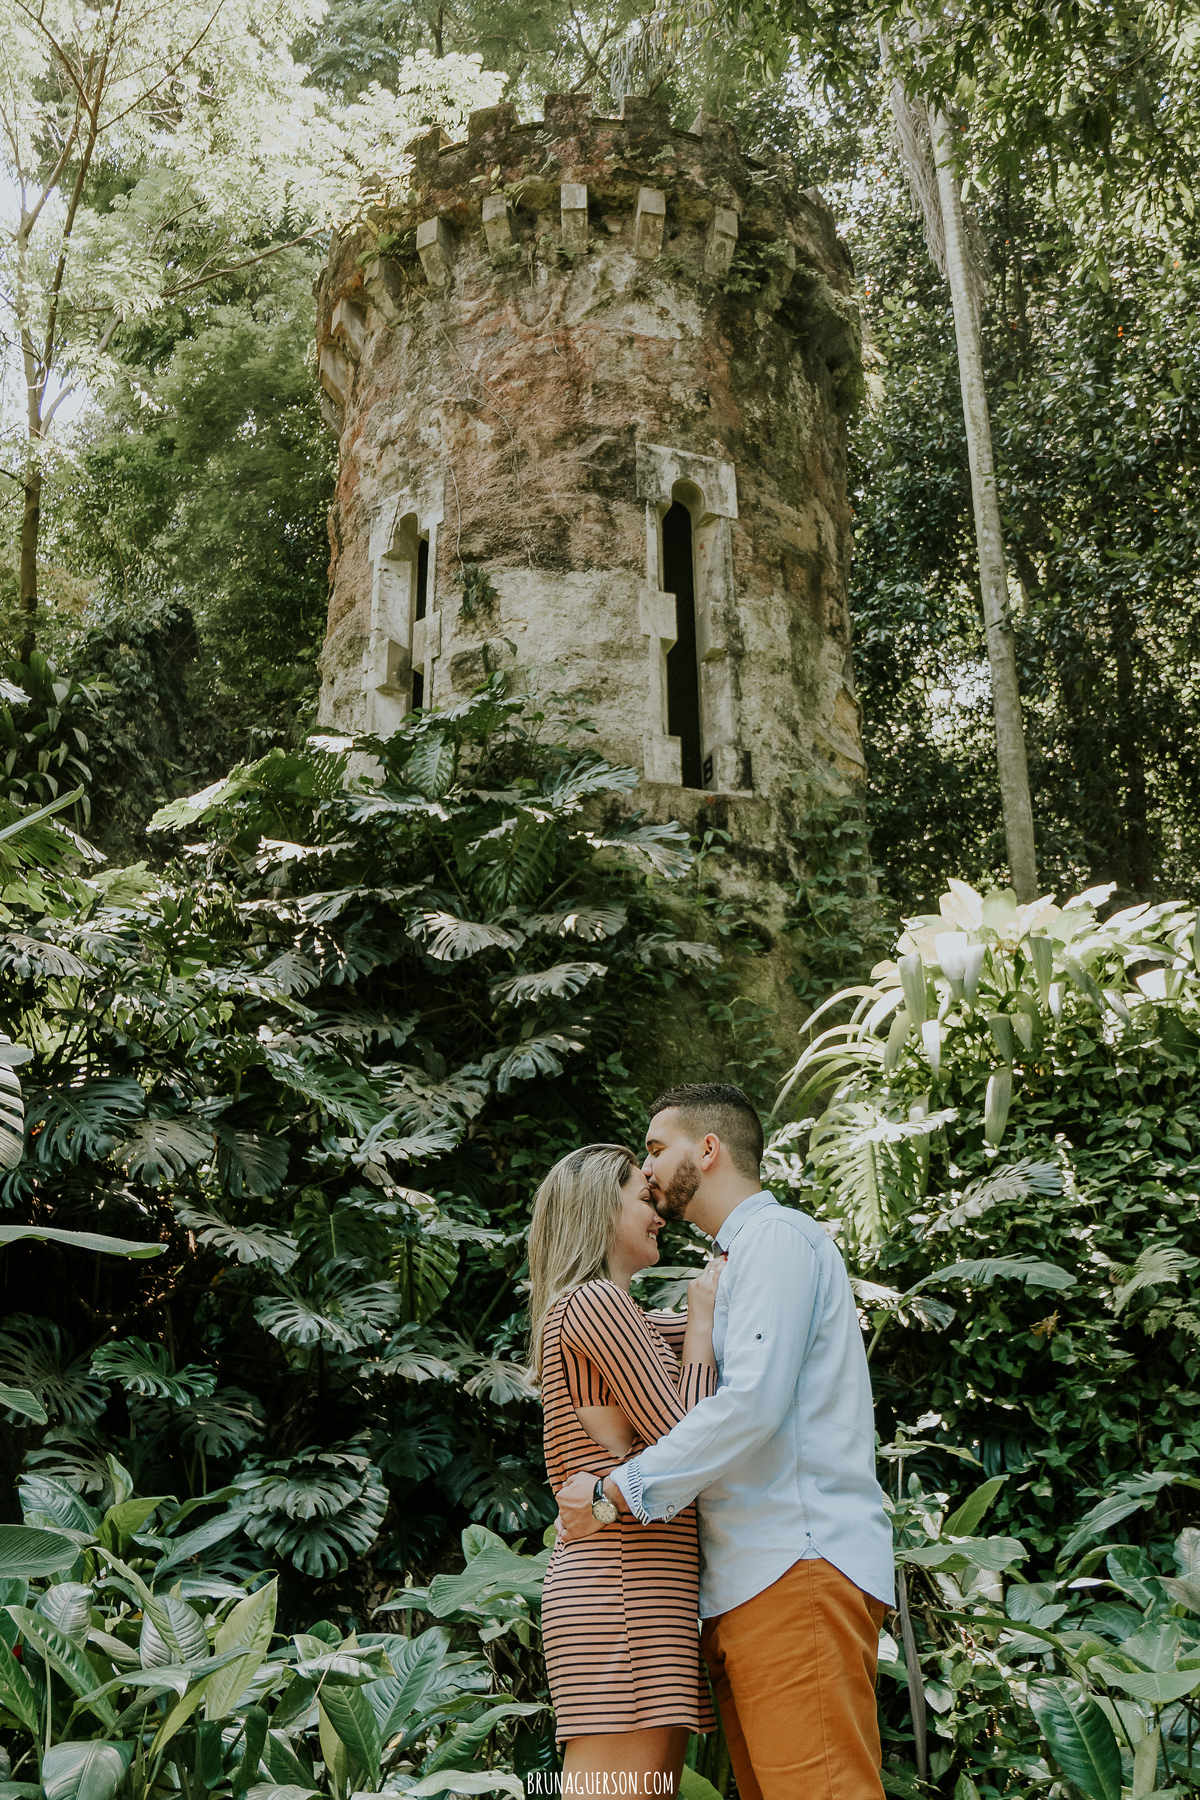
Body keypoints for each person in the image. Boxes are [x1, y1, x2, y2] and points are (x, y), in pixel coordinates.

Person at [556, 1084, 895, 1800]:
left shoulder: (774, 1240)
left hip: (794, 1564)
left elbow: (751, 1405)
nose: (646, 1173)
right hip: (751, 1582)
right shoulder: (731, 1263)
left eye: (654, 1150)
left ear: (707, 1151)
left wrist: (620, 1493)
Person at [528, 1142, 725, 1791]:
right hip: (621, 1590)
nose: (661, 1209)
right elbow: (687, 1442)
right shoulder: (595, 1305)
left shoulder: (621, 1314)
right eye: (646, 1196)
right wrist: (699, 1323)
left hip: (638, 1589)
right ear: (598, 1211)